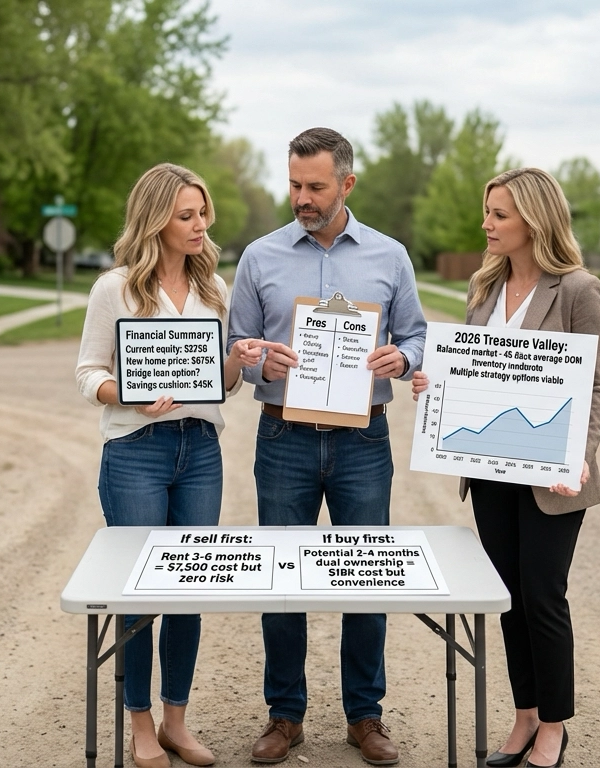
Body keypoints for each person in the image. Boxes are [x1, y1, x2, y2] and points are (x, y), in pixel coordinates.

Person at [227, 127, 427, 766]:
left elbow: (418, 337)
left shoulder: (390, 257)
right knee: (280, 581)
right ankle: (284, 716)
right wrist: (262, 365)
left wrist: (402, 356)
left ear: (347, 183)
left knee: (369, 580)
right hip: (282, 435)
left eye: (315, 186)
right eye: (294, 184)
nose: (302, 198)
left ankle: (364, 716)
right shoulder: (259, 257)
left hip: (364, 438)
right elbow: (237, 348)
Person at [412, 167, 600, 768]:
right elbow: (474, 373)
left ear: (533, 219)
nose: (487, 224)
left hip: (553, 477)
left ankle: (554, 725)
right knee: (509, 598)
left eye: (499, 214)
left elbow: (597, 387)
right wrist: (435, 384)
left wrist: (579, 457)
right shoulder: (483, 289)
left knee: (543, 594)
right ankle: (524, 715)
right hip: (491, 471)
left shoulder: (578, 289)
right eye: (488, 212)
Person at [76, 163, 271, 768]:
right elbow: (88, 374)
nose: (199, 225)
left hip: (200, 451)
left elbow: (224, 385)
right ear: (156, 219)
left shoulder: (215, 289)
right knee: (140, 594)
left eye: (202, 213)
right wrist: (127, 393)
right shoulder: (115, 289)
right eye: (186, 215)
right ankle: (138, 723)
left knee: (190, 587)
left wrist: (237, 359)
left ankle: (175, 722)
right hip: (135, 450)